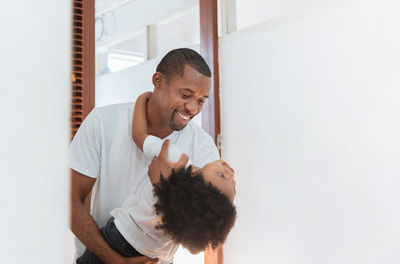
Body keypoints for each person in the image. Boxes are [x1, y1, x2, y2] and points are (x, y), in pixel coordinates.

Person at [70, 48, 226, 264]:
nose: (192, 108)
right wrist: (114, 260)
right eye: (186, 95)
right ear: (158, 80)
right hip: (103, 254)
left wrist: (165, 191)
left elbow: (199, 242)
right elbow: (69, 202)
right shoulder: (103, 123)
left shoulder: (202, 148)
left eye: (201, 101)